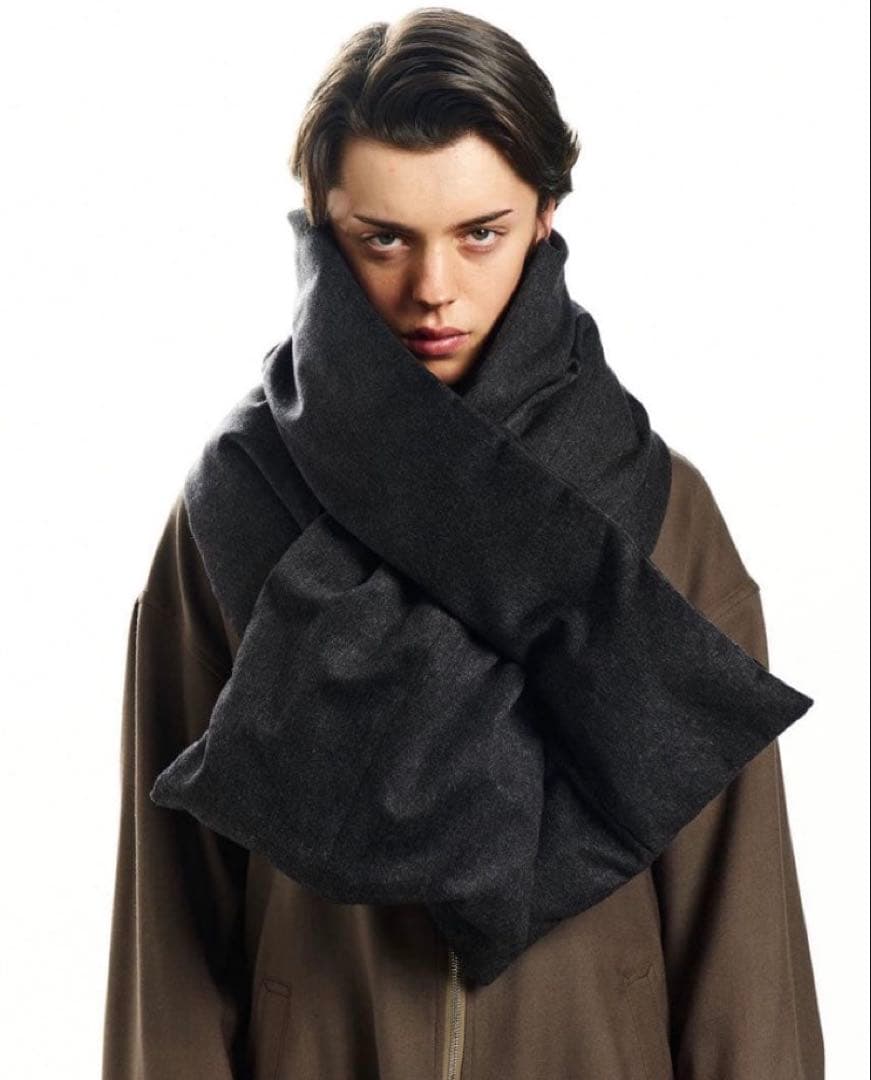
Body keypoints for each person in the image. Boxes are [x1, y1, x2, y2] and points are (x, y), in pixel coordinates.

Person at [101, 8, 824, 1078]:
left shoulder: (660, 510)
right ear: (323, 226)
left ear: (545, 216)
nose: (432, 287)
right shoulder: (234, 506)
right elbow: (170, 919)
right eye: (383, 237)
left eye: (479, 232)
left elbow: (737, 922)